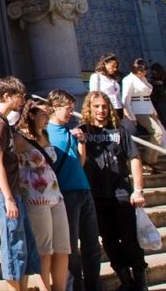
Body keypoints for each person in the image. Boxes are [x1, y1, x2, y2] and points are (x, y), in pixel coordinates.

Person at [79, 91, 149, 291]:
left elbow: (134, 158)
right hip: (96, 195)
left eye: (104, 106)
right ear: (89, 108)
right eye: (96, 106)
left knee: (130, 239)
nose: (101, 110)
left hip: (121, 193)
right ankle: (126, 281)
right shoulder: (83, 130)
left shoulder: (119, 130)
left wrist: (138, 190)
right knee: (109, 241)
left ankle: (141, 283)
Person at [0, 76, 39, 291]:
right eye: (19, 95)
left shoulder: (3, 121)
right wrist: (8, 198)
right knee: (14, 245)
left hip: (13, 191)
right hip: (3, 193)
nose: (23, 100)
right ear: (6, 96)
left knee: (22, 245)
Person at [46, 89, 101, 291]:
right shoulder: (47, 134)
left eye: (71, 109)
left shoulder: (72, 132)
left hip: (84, 189)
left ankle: (94, 286)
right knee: (70, 248)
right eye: (67, 109)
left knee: (92, 245)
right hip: (65, 193)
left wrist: (82, 142)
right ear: (54, 107)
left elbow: (81, 162)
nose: (70, 113)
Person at [15, 97, 69, 291]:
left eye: (49, 113)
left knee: (62, 248)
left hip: (55, 194)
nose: (47, 117)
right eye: (43, 114)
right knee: (44, 250)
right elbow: (5, 161)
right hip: (34, 195)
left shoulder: (45, 134)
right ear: (30, 114)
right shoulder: (19, 137)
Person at [122, 58, 166, 174]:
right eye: (141, 70)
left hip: (148, 108)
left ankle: (151, 160)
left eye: (145, 70)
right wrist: (131, 116)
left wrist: (154, 110)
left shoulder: (143, 79)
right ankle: (148, 159)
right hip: (137, 109)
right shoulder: (128, 79)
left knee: (159, 134)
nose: (144, 72)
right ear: (135, 69)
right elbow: (126, 100)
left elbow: (147, 96)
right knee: (157, 132)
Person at [89, 53, 130, 123]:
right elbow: (93, 95)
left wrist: (124, 108)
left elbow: (118, 95)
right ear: (105, 63)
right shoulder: (96, 77)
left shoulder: (113, 79)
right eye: (112, 66)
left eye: (116, 67)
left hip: (118, 107)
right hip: (106, 107)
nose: (114, 69)